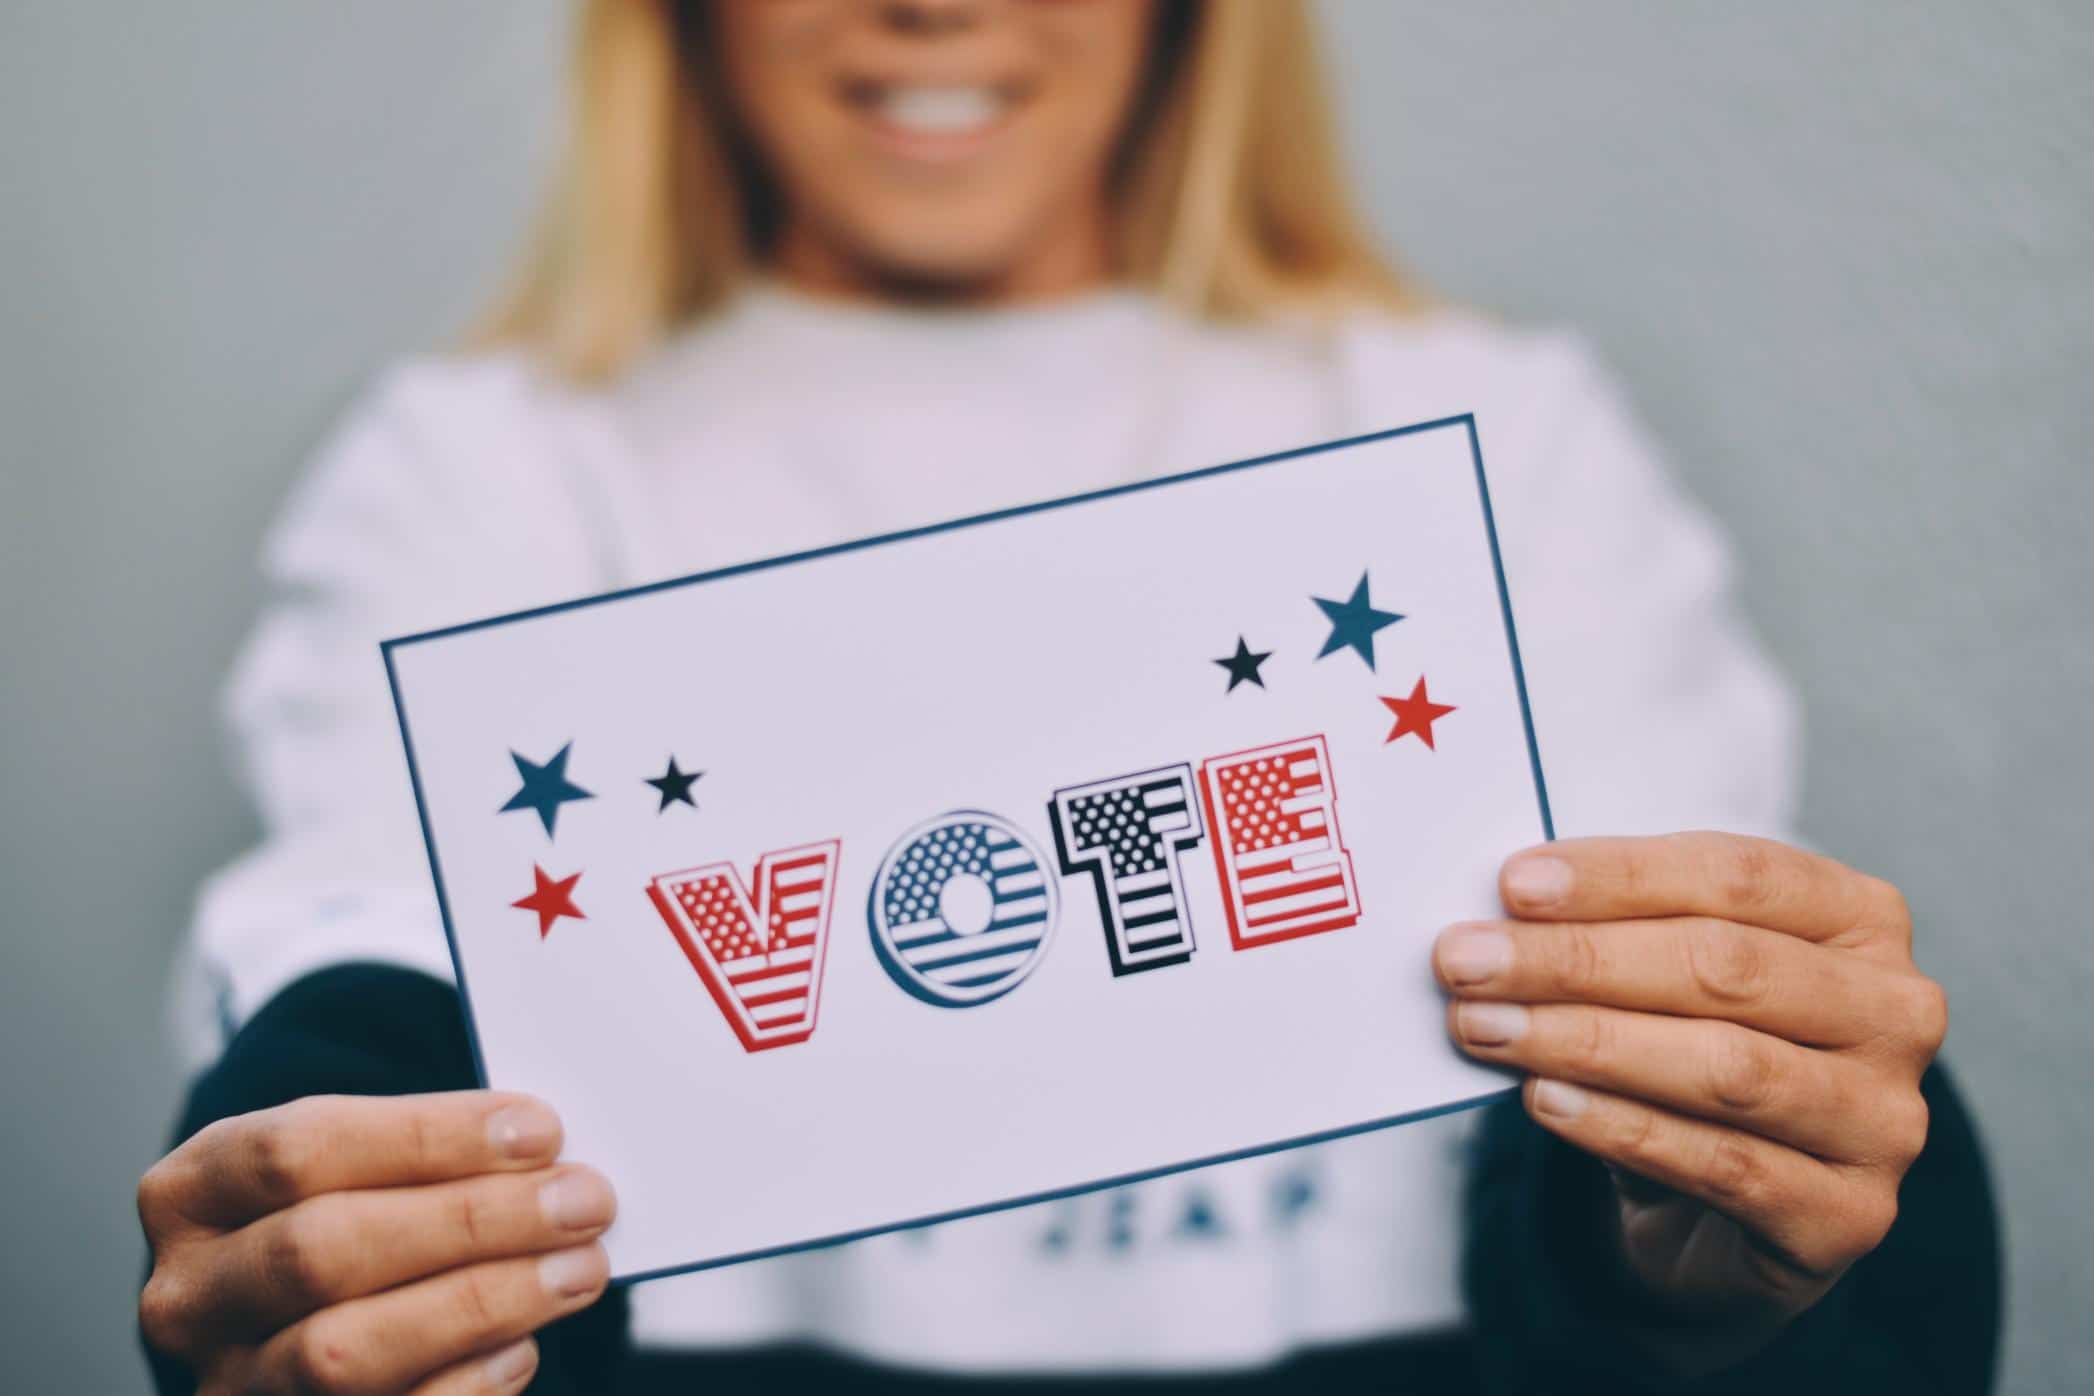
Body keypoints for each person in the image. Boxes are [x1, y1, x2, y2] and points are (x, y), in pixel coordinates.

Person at [137, 2, 1997, 1392]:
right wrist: (335, 1250)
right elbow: (365, 1008)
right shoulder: (485, 468)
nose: (932, 2)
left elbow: (1676, 1132)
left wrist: (1723, 1238)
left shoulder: (1492, 433)